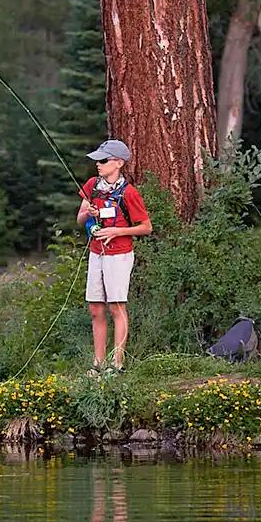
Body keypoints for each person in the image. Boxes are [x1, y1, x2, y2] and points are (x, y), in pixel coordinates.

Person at [76, 140, 152, 371]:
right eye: (97, 160)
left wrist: (118, 231)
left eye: (103, 160)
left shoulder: (129, 193)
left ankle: (117, 363)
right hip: (96, 253)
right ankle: (97, 364)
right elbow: (80, 220)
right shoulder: (92, 185)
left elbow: (146, 227)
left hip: (119, 255)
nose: (98, 164)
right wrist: (87, 214)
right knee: (95, 308)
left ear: (118, 163)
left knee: (116, 307)